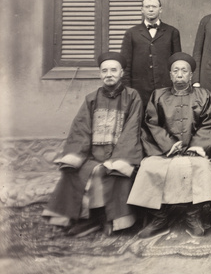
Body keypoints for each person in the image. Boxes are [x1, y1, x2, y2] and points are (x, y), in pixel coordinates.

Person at [42, 52, 143, 237]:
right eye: (104, 70)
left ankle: (110, 219)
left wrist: (117, 159)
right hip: (92, 155)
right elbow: (81, 129)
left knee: (113, 174)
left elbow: (132, 129)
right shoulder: (91, 98)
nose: (109, 74)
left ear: (122, 73)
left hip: (119, 155)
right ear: (100, 74)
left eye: (113, 70)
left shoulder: (132, 97)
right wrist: (78, 156)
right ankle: (85, 219)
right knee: (74, 173)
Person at [127, 53, 211, 238]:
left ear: (191, 75)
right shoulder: (158, 95)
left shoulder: (204, 95)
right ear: (170, 75)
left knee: (201, 168)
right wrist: (169, 145)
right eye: (175, 71)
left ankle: (193, 216)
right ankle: (160, 217)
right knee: (150, 167)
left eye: (184, 71)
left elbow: (210, 122)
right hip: (165, 151)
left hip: (195, 151)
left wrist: (196, 146)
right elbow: (150, 123)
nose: (179, 74)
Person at [120, 0, 182, 108]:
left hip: (166, 89)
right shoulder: (131, 33)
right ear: (142, 10)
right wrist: (128, 90)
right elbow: (125, 65)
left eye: (154, 6)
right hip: (139, 90)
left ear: (160, 9)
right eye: (147, 6)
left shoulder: (172, 32)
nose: (151, 9)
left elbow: (177, 64)